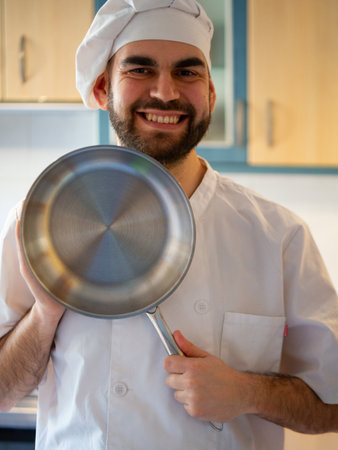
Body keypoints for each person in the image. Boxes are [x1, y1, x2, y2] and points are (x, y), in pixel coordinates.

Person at [0, 1, 337, 448]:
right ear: (103, 89)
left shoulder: (278, 236)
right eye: (140, 70)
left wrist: (248, 392)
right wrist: (45, 314)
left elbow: (330, 405)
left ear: (211, 95)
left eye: (188, 72)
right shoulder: (42, 218)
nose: (165, 92)